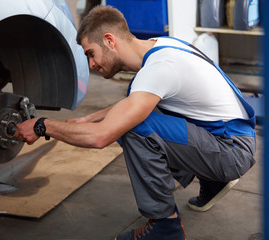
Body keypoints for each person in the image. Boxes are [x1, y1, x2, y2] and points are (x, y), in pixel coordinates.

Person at [15, 5, 256, 240]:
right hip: (231, 137)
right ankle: (213, 180)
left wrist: (43, 125)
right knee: (139, 107)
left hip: (231, 151)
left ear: (110, 40)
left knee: (133, 126)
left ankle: (165, 227)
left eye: (91, 53)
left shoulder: (158, 69)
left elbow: (101, 137)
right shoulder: (162, 46)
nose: (91, 64)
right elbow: (136, 100)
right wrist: (91, 117)